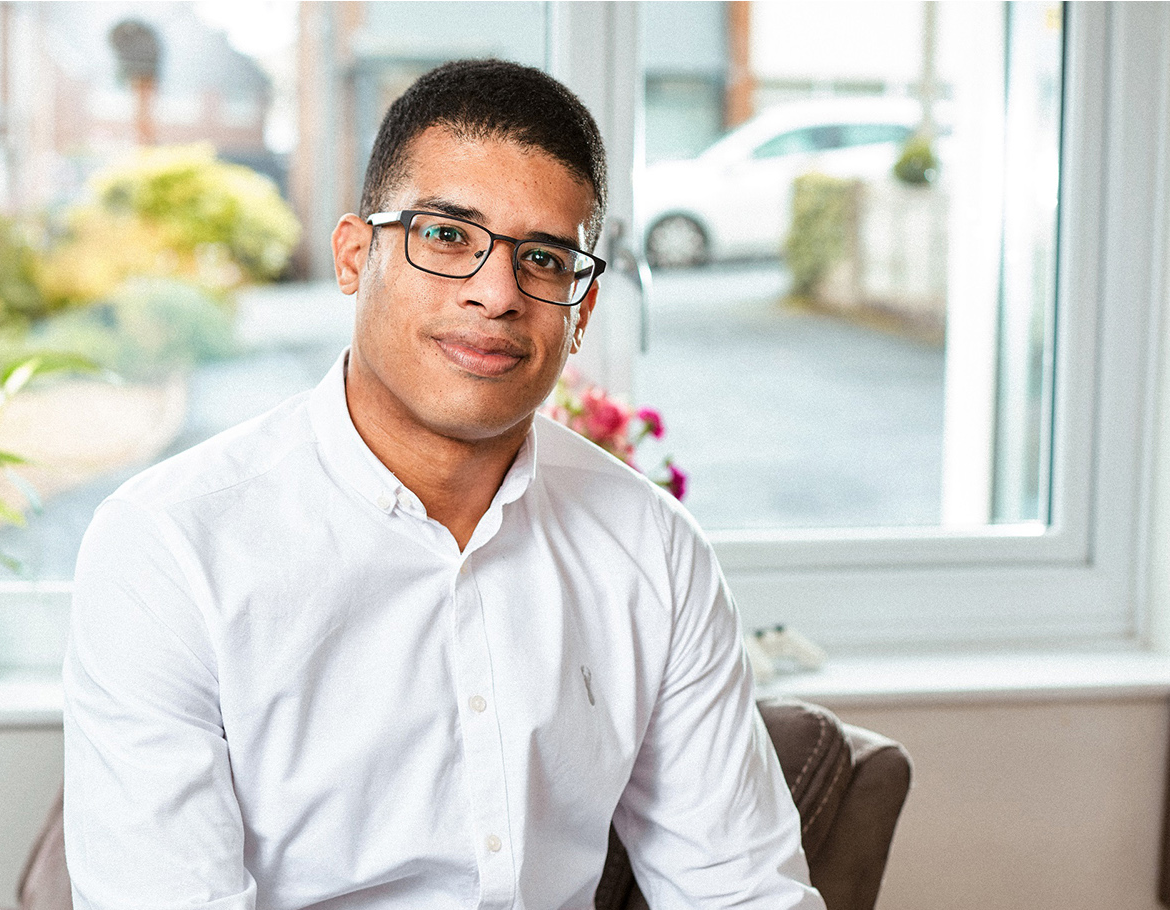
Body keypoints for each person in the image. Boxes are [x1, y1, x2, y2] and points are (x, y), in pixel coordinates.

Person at [63, 59, 824, 910]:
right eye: (448, 236)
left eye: (543, 257)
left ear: (581, 314)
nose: (498, 294)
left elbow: (744, 891)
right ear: (356, 256)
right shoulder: (170, 545)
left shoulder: (652, 548)